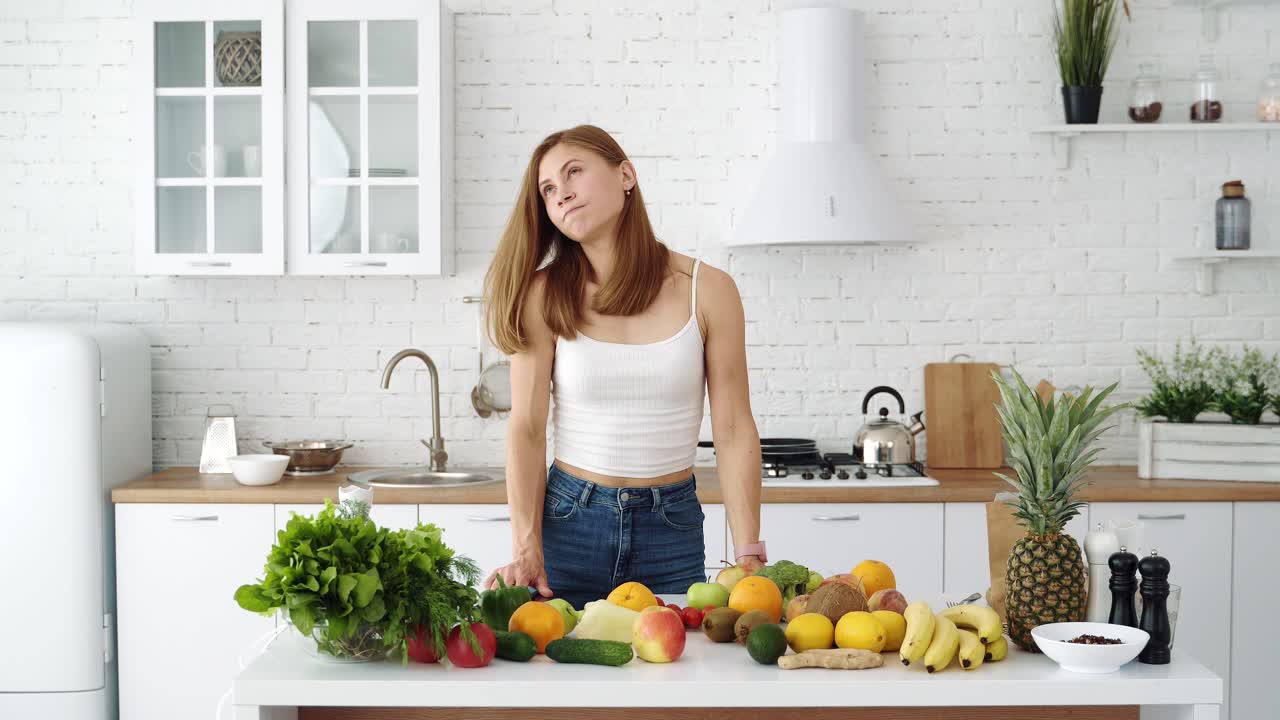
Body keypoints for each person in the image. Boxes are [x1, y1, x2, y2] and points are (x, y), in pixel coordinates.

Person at [481, 124, 764, 610]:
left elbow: (734, 427)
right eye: (548, 190)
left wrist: (748, 552)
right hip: (571, 523)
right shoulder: (543, 295)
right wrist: (526, 547)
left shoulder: (709, 289)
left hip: (671, 526)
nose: (562, 194)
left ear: (626, 174)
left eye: (574, 173)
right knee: (562, 676)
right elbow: (526, 428)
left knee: (677, 676)